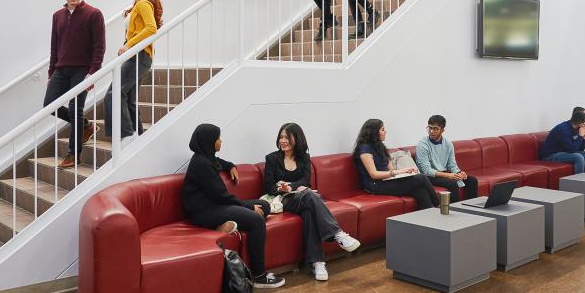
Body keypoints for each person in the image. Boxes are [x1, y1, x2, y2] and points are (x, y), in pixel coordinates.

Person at [183, 124, 286, 289]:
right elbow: (221, 196)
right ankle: (259, 276)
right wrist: (249, 208)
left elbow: (219, 163)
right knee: (256, 220)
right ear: (209, 141)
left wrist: (230, 165)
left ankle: (220, 226)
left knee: (265, 206)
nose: (221, 141)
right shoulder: (201, 164)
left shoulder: (206, 157)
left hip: (216, 207)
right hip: (205, 212)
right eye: (218, 138)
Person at [263, 123, 360, 281]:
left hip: (301, 197)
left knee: (309, 211)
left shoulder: (304, 158)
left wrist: (291, 186)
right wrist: (282, 188)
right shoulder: (272, 158)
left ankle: (317, 262)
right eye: (281, 137)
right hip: (283, 200)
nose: (283, 140)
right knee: (310, 196)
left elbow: (306, 181)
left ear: (297, 138)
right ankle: (337, 233)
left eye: (287, 137)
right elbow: (268, 186)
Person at [45, 0, 106, 169]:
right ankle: (87, 126)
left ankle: (73, 154)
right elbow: (54, 47)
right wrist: (50, 73)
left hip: (82, 71)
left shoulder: (93, 14)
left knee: (75, 110)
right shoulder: (57, 16)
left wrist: (93, 73)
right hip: (61, 70)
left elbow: (99, 47)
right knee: (49, 105)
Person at [104, 0, 162, 139]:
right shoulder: (138, 5)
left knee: (113, 94)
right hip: (139, 56)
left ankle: (126, 136)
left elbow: (151, 28)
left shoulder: (144, 4)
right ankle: (139, 137)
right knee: (128, 100)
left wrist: (128, 45)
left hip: (139, 55)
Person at [352, 119, 440, 210]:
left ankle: (428, 220)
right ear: (374, 132)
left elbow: (391, 169)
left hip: (387, 181)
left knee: (421, 192)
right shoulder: (365, 149)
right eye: (382, 129)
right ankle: (439, 205)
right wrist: (398, 172)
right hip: (375, 185)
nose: (385, 132)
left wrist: (406, 173)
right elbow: (373, 174)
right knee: (422, 178)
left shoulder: (380, 146)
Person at [414, 115, 480, 201]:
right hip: (429, 176)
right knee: (452, 183)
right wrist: (449, 175)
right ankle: (455, 211)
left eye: (435, 129)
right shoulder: (422, 144)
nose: (431, 131)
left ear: (442, 130)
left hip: (444, 174)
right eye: (429, 128)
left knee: (472, 180)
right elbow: (427, 171)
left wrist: (459, 173)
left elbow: (452, 165)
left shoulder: (448, 144)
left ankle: (472, 209)